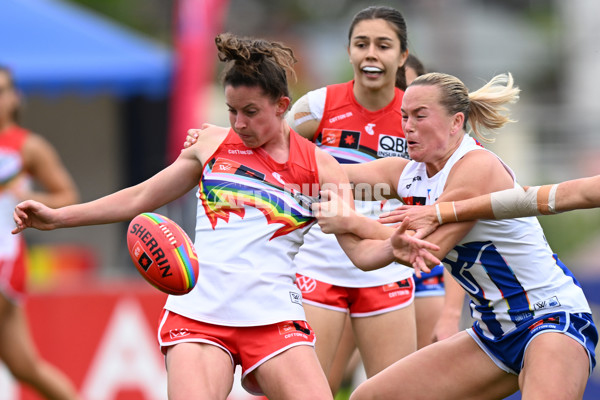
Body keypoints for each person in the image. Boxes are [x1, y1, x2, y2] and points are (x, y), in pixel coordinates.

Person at [11, 34, 439, 400]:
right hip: (199, 315)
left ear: (282, 105)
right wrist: (58, 217)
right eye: (231, 110)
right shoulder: (211, 144)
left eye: (250, 112)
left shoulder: (320, 168)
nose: (238, 122)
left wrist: (391, 247)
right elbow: (139, 196)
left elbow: (359, 252)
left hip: (273, 320)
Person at [312, 71, 597, 400]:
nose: (408, 126)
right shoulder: (405, 174)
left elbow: (423, 249)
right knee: (370, 396)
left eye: (421, 115)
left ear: (455, 121)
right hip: (492, 334)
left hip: (550, 318)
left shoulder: (477, 167)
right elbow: (328, 175)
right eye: (404, 116)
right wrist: (272, 153)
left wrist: (350, 221)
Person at [0, 66, 80, 400]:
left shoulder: (28, 147)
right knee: (24, 367)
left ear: (15, 97)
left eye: (2, 90)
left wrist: (28, 198)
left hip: (5, 259)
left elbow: (68, 196)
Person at [379, 176, 600, 239]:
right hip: (490, 328)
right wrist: (439, 212)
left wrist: (352, 222)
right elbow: (550, 198)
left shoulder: (477, 163)